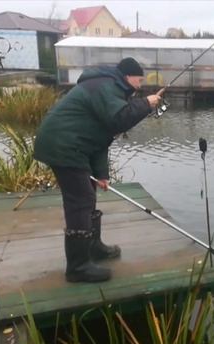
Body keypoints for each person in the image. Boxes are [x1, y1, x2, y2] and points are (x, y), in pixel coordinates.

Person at [34, 57, 164, 283]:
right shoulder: (107, 87)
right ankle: (78, 267)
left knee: (88, 192)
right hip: (63, 144)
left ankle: (93, 249)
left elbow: (101, 136)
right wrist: (146, 104)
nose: (140, 85)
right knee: (80, 199)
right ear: (127, 76)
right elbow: (119, 120)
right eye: (138, 79)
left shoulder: (108, 87)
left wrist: (101, 174)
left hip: (74, 144)